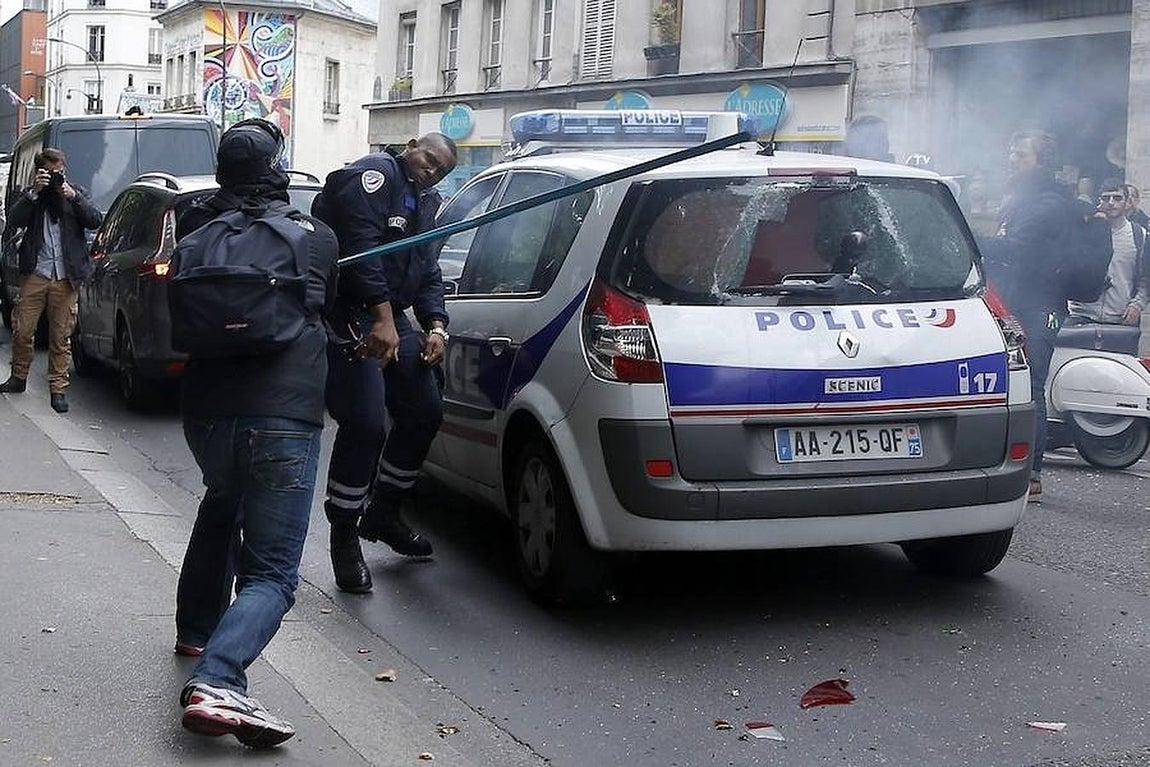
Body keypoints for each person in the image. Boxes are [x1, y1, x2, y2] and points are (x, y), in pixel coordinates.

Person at [173, 118, 339, 748]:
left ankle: (197, 630)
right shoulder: (315, 237)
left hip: (207, 414)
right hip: (283, 414)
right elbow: (326, 304)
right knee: (272, 573)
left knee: (222, 501)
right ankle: (220, 679)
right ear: (278, 171)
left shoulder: (195, 233)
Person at [312, 133, 457, 594]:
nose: (431, 171)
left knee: (425, 409)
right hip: (352, 314)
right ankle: (344, 535)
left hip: (390, 315)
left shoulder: (426, 202)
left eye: (441, 170)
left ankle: (384, 513)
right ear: (411, 146)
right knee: (366, 422)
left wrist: (436, 325)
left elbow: (427, 269)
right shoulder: (375, 175)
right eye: (429, 159)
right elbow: (361, 249)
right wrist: (381, 319)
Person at [981, 129, 1072, 500]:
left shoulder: (1048, 203)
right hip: (1013, 301)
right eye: (1011, 153)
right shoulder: (1018, 198)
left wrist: (970, 238)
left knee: (1031, 384)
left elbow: (1016, 249)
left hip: (1040, 305)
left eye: (1021, 155)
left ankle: (1032, 474)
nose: (1012, 160)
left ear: (1041, 162)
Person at [0, 148, 102, 412]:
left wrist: (73, 197)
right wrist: (34, 192)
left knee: (61, 335)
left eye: (60, 171)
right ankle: (18, 376)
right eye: (50, 172)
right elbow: (14, 220)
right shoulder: (32, 197)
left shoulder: (74, 193)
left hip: (65, 276)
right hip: (37, 272)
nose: (56, 176)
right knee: (23, 329)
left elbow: (95, 220)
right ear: (40, 172)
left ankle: (58, 389)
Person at [1066, 180, 1147, 327]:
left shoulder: (1139, 235)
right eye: (1106, 198)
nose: (1111, 203)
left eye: (1117, 198)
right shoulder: (1084, 230)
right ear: (1099, 201)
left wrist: (1137, 305)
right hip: (1080, 315)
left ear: (1127, 202)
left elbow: (1146, 278)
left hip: (1120, 317)